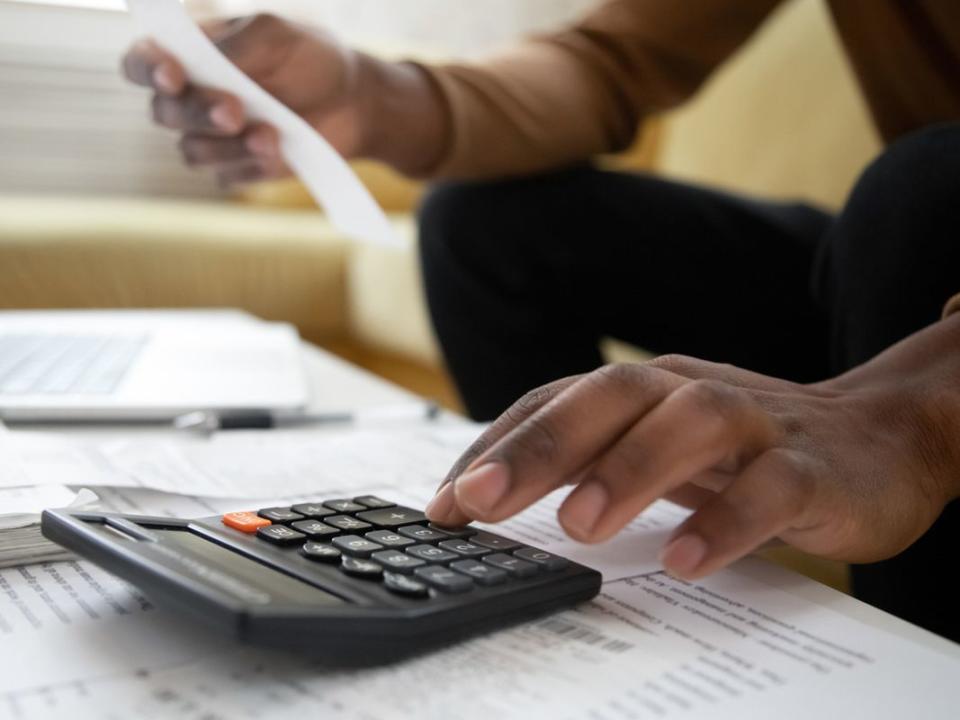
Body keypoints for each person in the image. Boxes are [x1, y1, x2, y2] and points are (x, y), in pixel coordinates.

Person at [123, 1, 960, 640]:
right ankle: (546, 559)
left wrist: (929, 414)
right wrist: (367, 96)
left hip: (927, 266)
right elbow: (610, 60)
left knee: (923, 193)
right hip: (869, 269)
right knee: (483, 217)